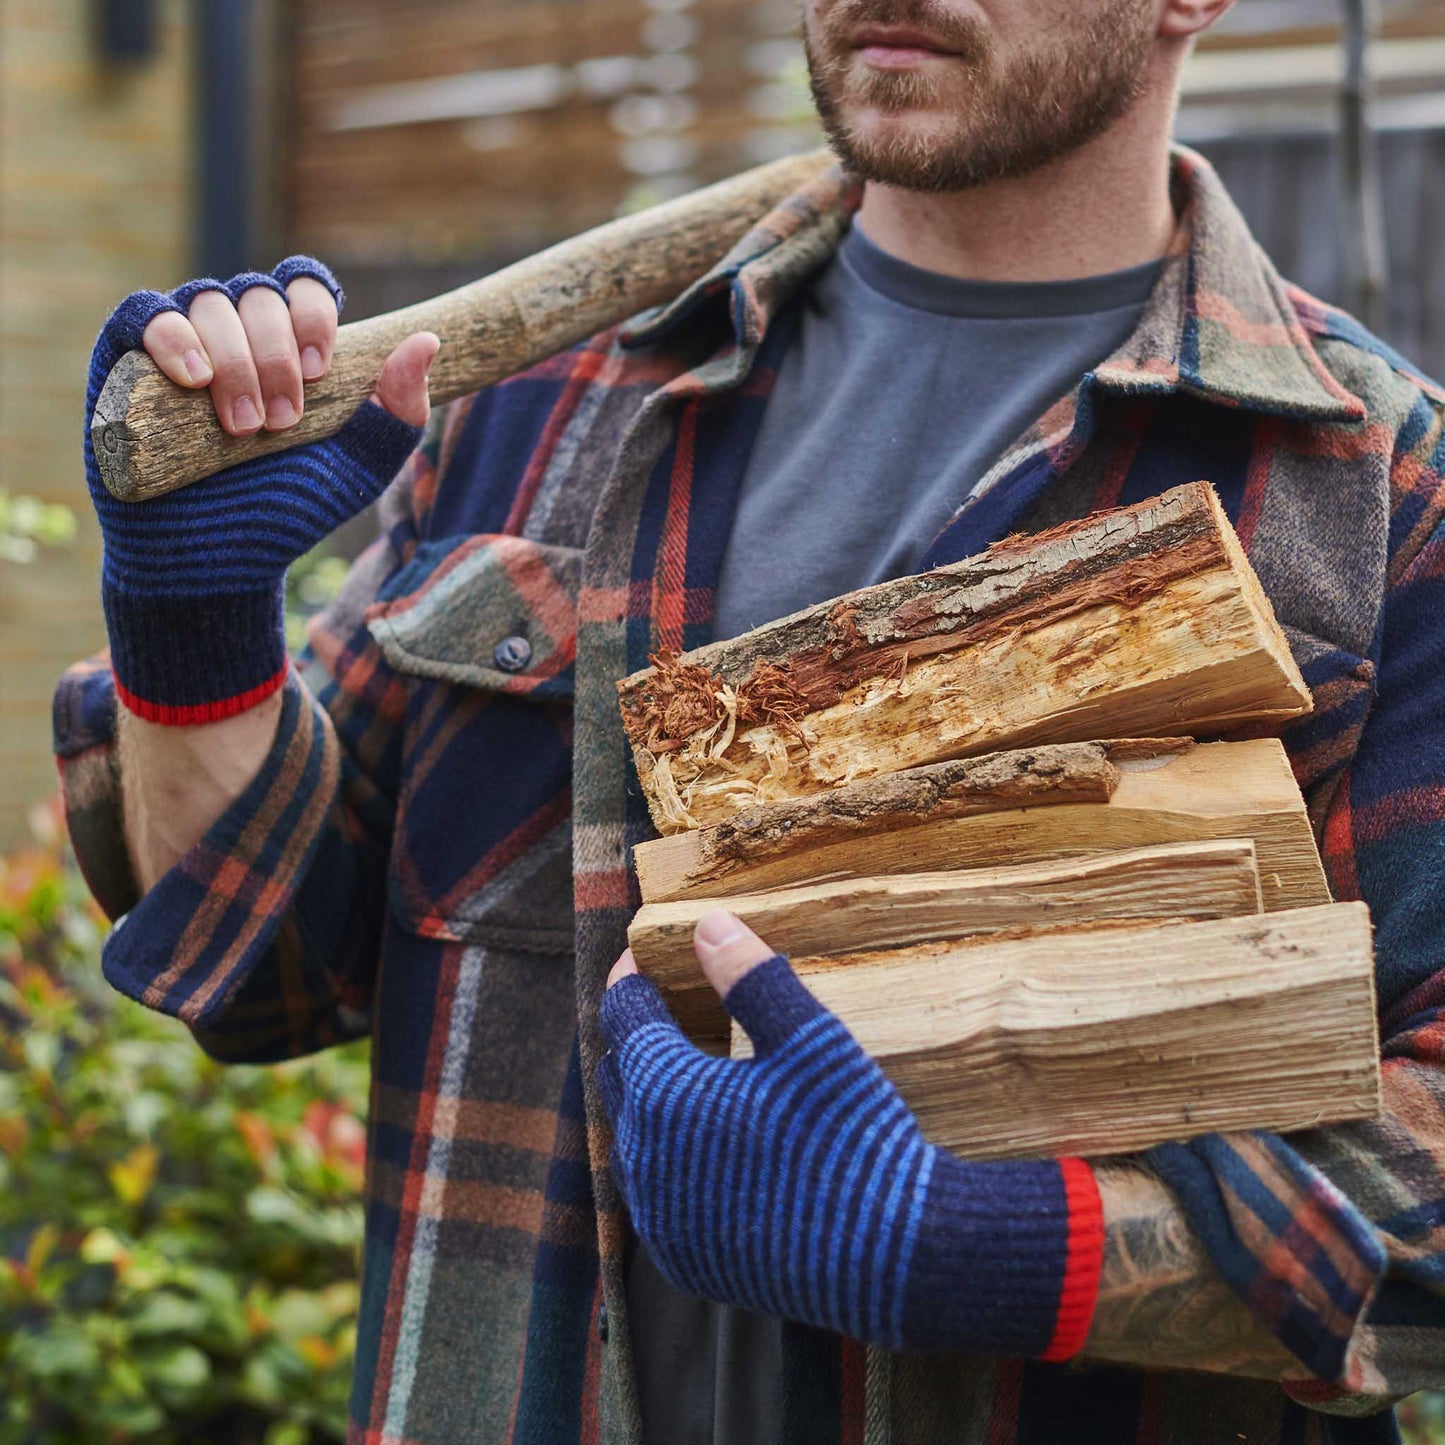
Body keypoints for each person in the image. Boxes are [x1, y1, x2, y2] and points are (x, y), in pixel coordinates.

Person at [57, 0, 1445, 1440]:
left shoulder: (1372, 496)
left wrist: (991, 1244)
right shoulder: (539, 406)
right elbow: (262, 958)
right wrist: (193, 631)